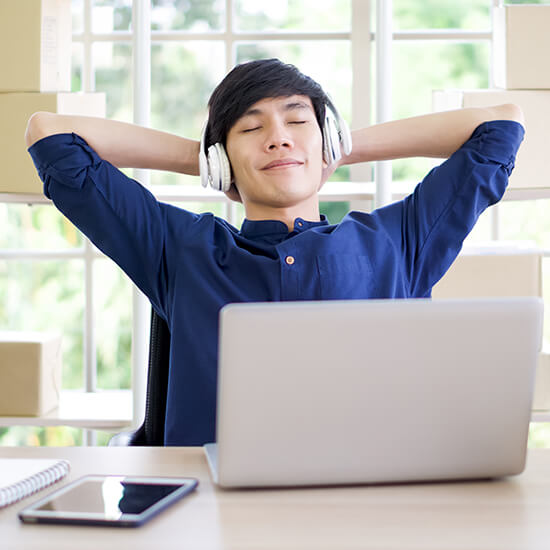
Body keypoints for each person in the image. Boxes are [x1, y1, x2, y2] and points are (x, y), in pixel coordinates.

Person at [25, 58, 525, 446]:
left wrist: (341, 148)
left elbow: (501, 127)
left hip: (367, 506)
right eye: (250, 128)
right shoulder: (181, 250)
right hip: (208, 512)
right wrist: (206, 159)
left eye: (297, 121)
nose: (278, 139)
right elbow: (51, 135)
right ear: (223, 157)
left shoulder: (398, 242)